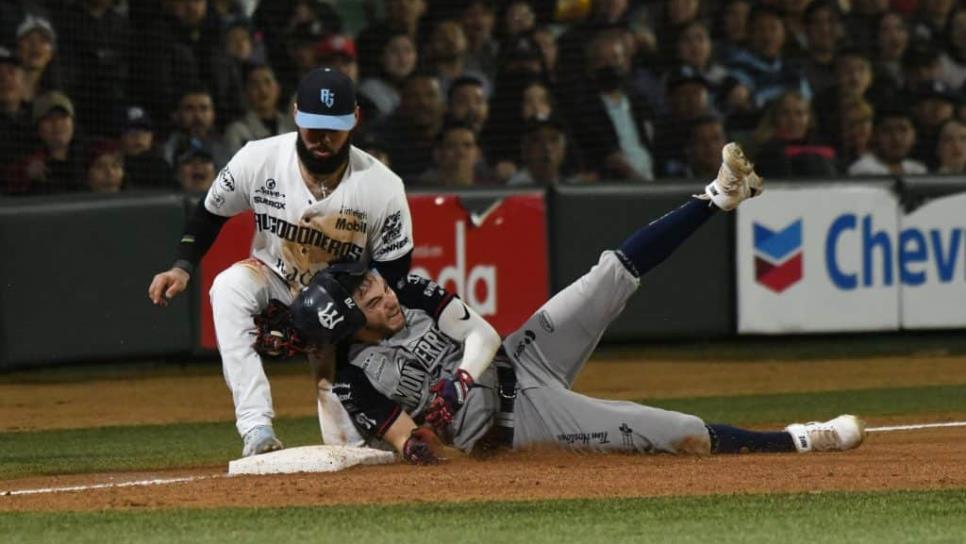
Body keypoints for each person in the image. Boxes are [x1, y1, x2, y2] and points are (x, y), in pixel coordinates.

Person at [280, 142, 865, 463]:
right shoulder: (356, 381)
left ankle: (716, 196)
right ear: (349, 322)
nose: (377, 286)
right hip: (522, 422)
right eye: (363, 292)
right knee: (674, 430)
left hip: (517, 356)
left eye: (369, 281)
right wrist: (424, 440)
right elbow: (409, 444)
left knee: (611, 273)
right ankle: (801, 439)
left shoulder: (406, 288)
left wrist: (457, 381)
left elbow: (481, 336)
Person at [147, 68, 415, 457]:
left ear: (355, 119)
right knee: (228, 288)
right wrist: (181, 266)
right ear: (295, 113)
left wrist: (351, 318)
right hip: (275, 277)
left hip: (344, 297)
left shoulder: (381, 186)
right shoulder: (259, 159)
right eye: (313, 127)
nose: (322, 139)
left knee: (354, 449)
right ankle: (256, 429)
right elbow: (209, 214)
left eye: (333, 129)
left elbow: (395, 269)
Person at [848, 107, 927, 176]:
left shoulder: (918, 170)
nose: (896, 138)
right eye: (887, 131)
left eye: (903, 130)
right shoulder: (863, 170)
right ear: (875, 136)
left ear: (914, 135)